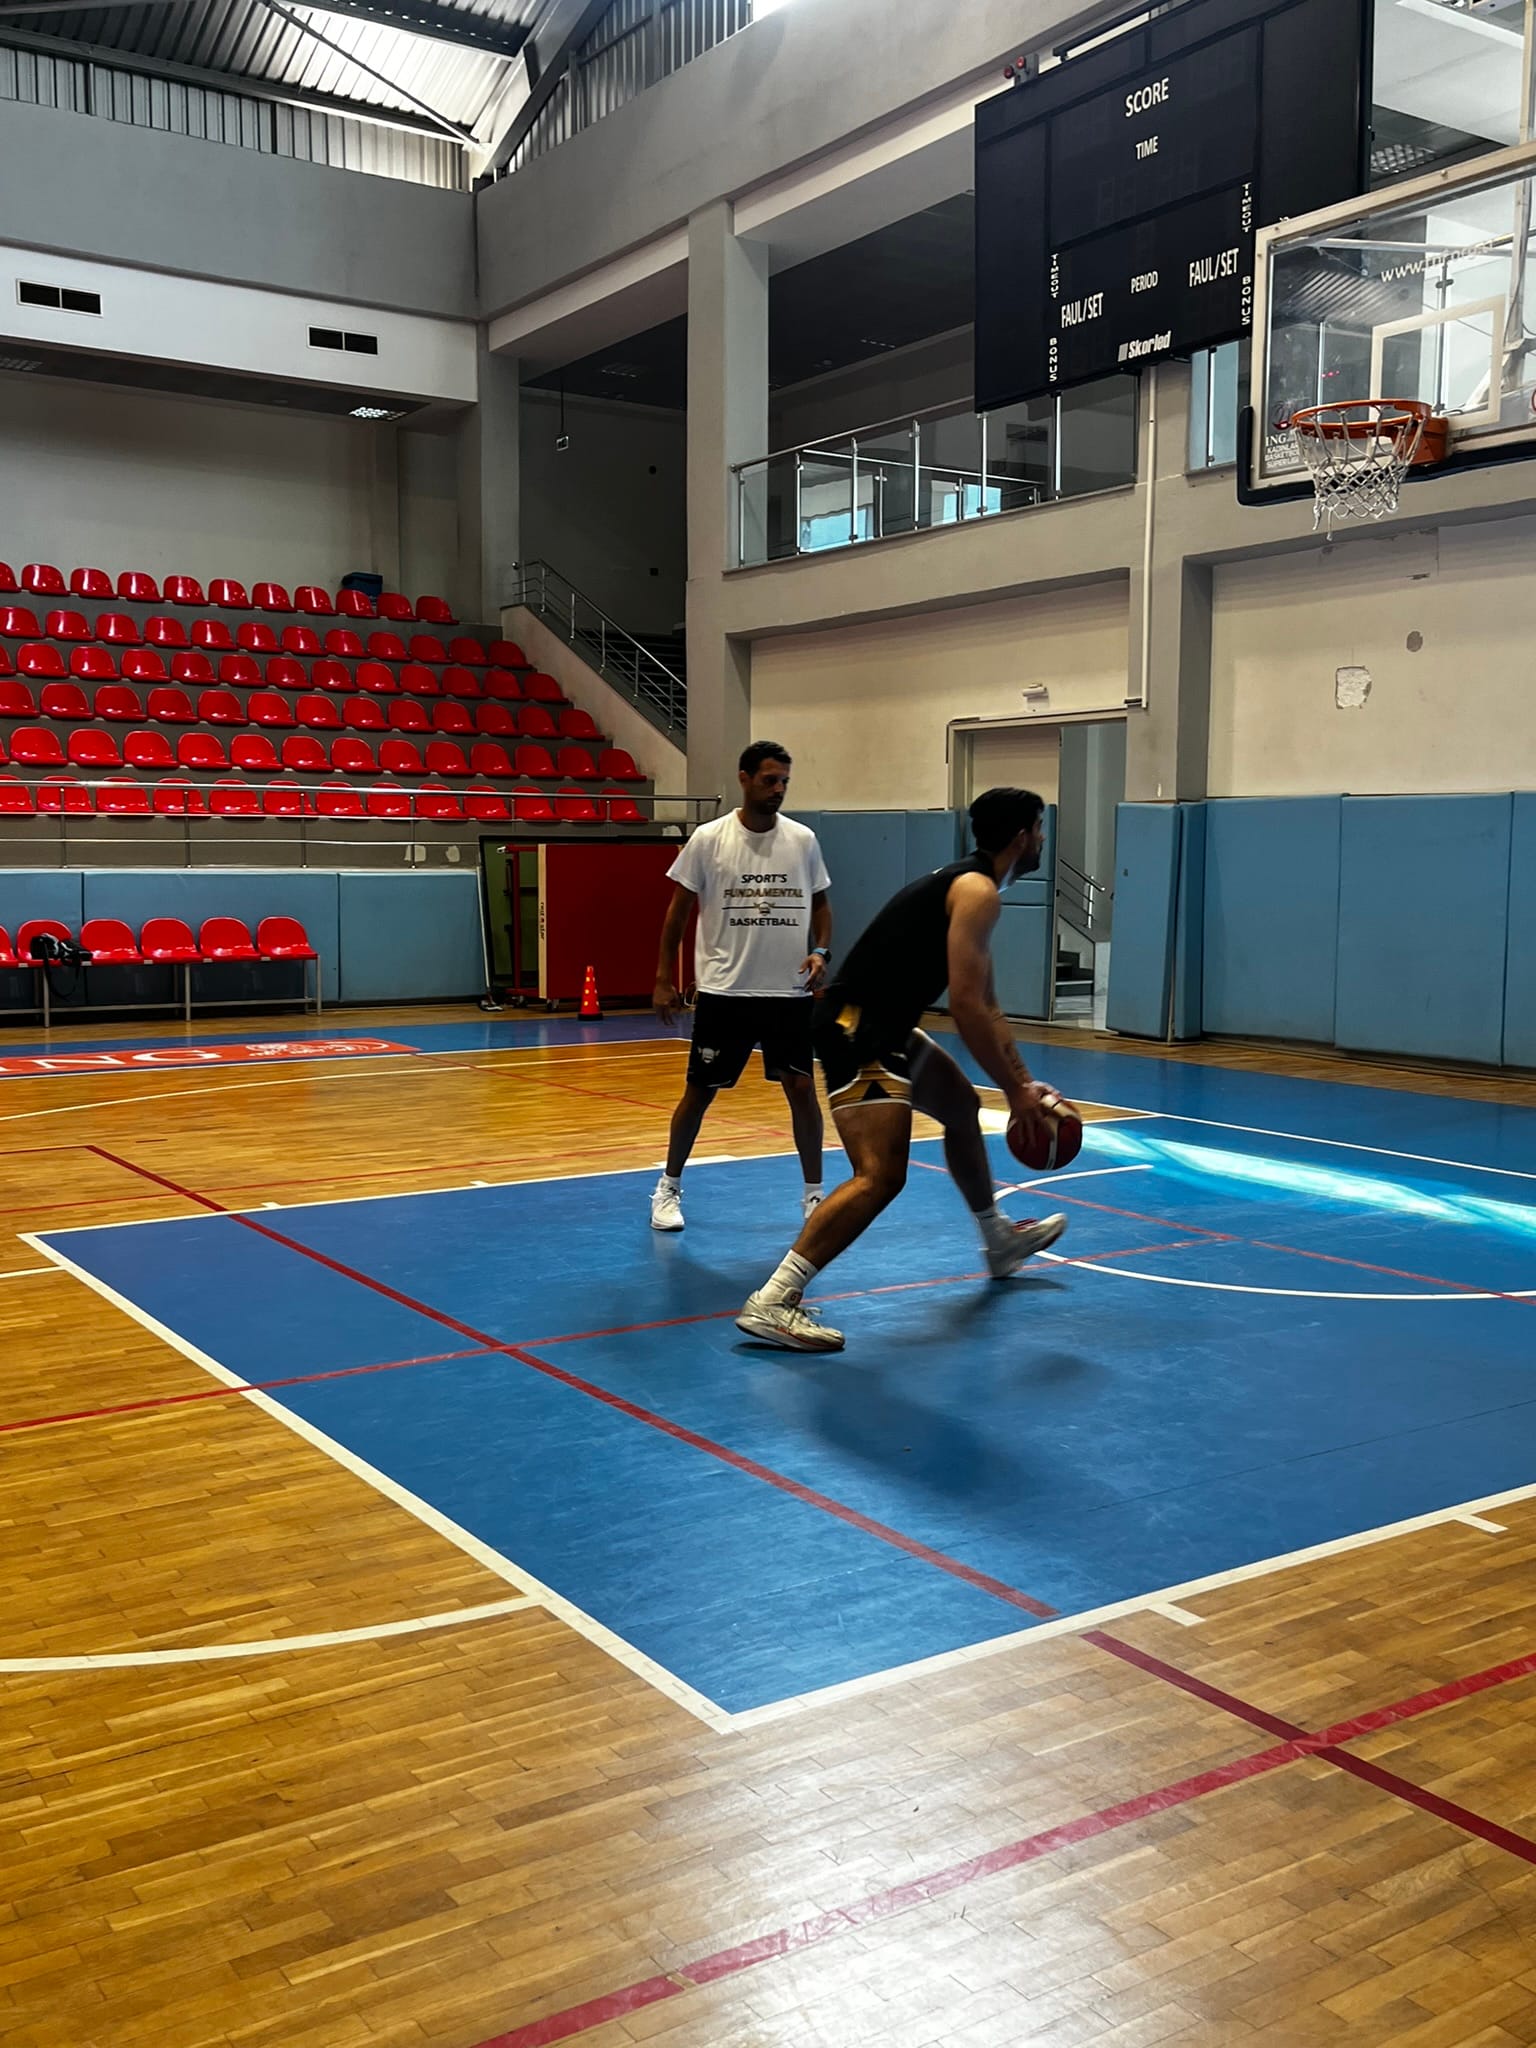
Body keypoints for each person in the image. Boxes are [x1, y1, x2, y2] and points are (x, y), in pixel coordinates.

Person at [737, 786, 1068, 1352]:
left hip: (882, 1024)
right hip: (858, 1027)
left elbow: (988, 1005)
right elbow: (966, 1007)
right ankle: (773, 1299)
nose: (1042, 838)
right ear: (1020, 837)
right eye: (1038, 828)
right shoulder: (977, 891)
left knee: (962, 1107)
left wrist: (1021, 1083)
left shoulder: (972, 887)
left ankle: (998, 1241)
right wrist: (1015, 1092)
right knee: (880, 1174)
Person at [651, 741, 832, 1231]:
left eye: (785, 782)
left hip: (788, 992)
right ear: (744, 778)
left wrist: (821, 951)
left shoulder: (803, 840)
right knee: (699, 1092)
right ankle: (667, 1187)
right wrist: (664, 978)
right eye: (770, 780)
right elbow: (677, 913)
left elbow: (821, 905)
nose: (778, 789)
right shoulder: (709, 839)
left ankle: (814, 1196)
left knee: (802, 1088)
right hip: (725, 992)